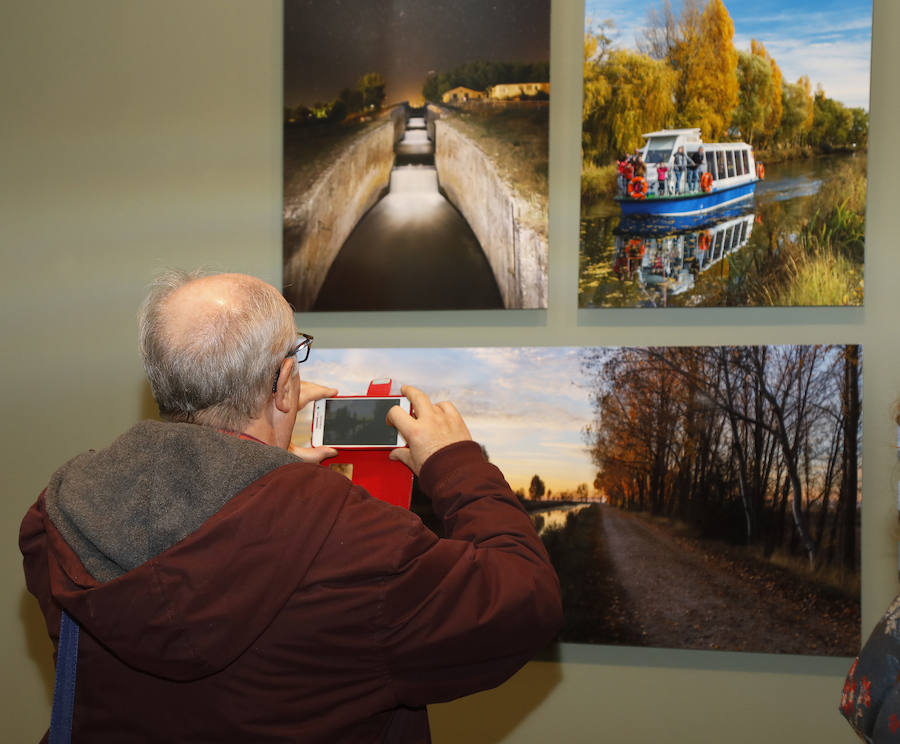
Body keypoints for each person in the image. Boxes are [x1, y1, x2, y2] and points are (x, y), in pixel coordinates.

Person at [20, 270, 563, 743]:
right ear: (284, 383)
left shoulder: (63, 510)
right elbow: (523, 599)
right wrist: (457, 463)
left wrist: (263, 483)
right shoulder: (362, 547)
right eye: (295, 352)